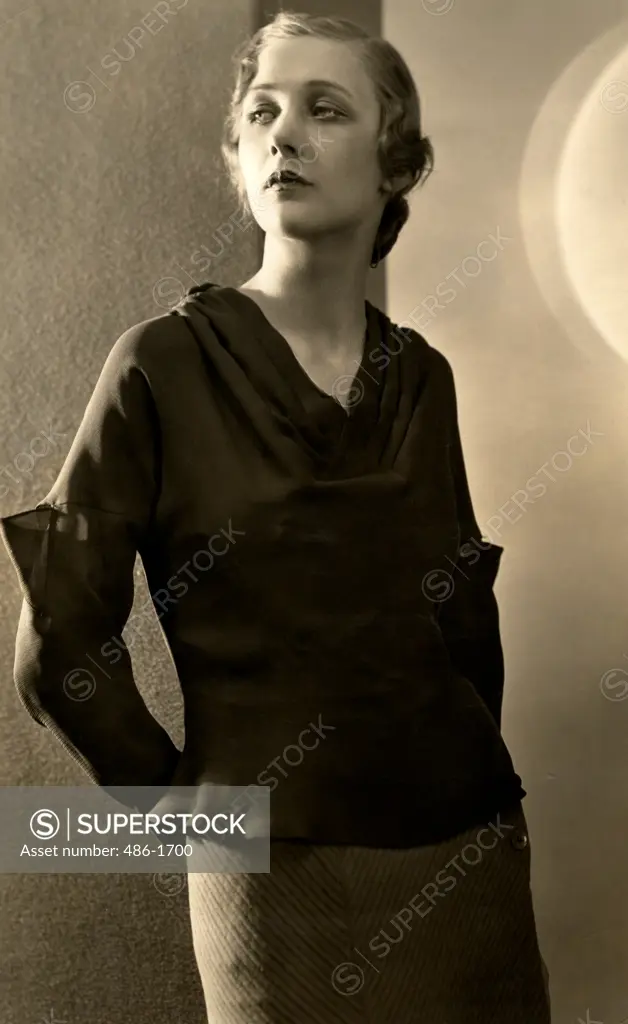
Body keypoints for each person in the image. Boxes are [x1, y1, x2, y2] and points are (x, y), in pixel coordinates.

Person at [0, 10, 552, 1023]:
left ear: (393, 166)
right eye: (260, 113)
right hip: (270, 874)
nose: (283, 134)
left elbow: (464, 620)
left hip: (469, 853)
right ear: (236, 157)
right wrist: (188, 817)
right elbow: (58, 646)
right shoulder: (159, 362)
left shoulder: (417, 374)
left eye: (323, 109)